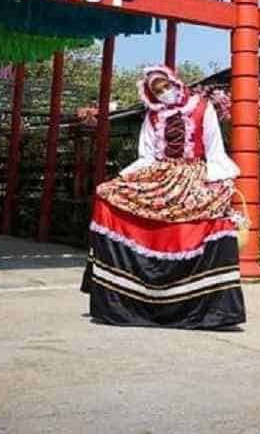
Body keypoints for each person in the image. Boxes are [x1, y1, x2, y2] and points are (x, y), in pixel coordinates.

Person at [82, 65, 245, 329]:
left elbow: (215, 149)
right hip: (159, 173)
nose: (164, 93)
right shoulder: (153, 116)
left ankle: (201, 302)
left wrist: (219, 178)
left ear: (174, 81)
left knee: (201, 218)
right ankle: (132, 294)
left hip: (193, 171)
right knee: (107, 195)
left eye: (165, 86)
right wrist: (125, 178)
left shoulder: (203, 107)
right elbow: (146, 155)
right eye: (157, 91)